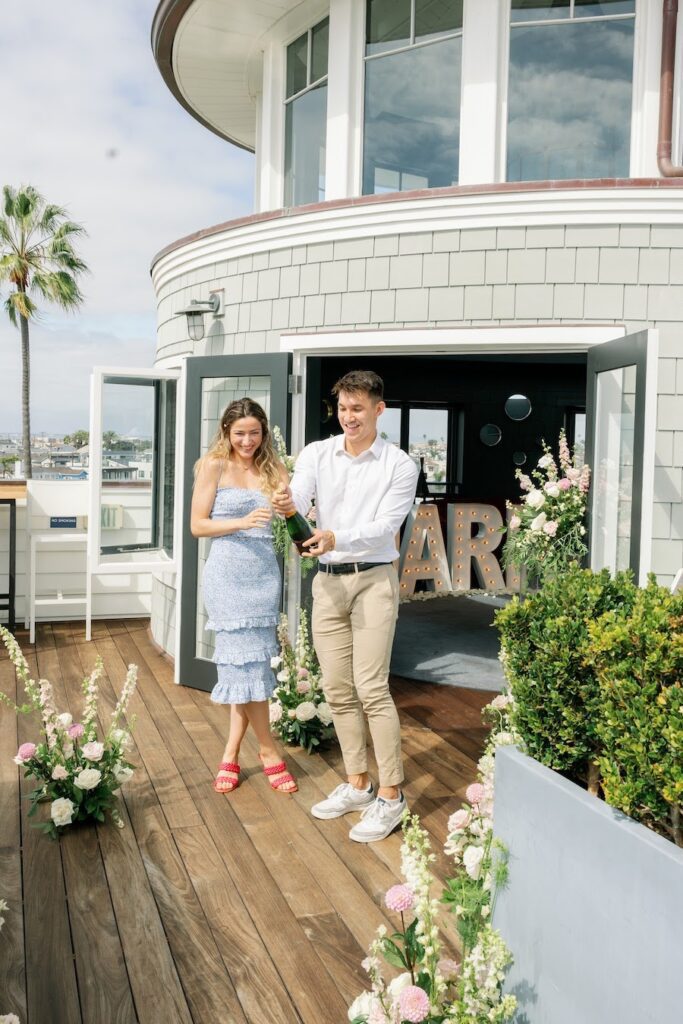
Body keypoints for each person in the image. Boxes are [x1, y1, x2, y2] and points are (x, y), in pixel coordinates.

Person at [272, 370, 418, 841]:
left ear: (379, 409)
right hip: (327, 583)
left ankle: (391, 795)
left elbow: (385, 526)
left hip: (374, 581)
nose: (348, 417)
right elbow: (298, 495)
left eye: (358, 408)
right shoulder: (318, 453)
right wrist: (285, 502)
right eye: (342, 408)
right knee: (336, 688)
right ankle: (358, 782)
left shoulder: (399, 464)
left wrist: (335, 536)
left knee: (371, 687)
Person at [191, 397, 297, 795]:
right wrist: (241, 521)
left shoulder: (275, 469)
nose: (248, 440)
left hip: (263, 577)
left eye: (254, 433)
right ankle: (269, 752)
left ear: (264, 433)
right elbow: (197, 526)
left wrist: (288, 509)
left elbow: (294, 521)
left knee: (248, 669)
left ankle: (231, 753)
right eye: (240, 433)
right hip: (226, 577)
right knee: (244, 668)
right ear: (226, 432)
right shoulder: (213, 466)